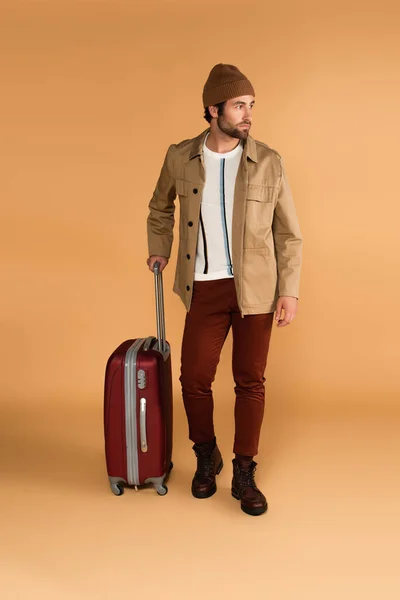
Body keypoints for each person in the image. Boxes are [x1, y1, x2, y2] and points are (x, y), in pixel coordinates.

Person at [146, 63, 303, 516]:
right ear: (213, 109)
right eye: (239, 105)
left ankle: (244, 471)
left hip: (256, 291)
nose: (248, 113)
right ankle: (206, 455)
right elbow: (159, 207)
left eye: (251, 105)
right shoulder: (180, 156)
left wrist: (288, 291)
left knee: (249, 381)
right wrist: (160, 248)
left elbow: (288, 233)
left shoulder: (269, 161)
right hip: (205, 287)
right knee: (194, 377)